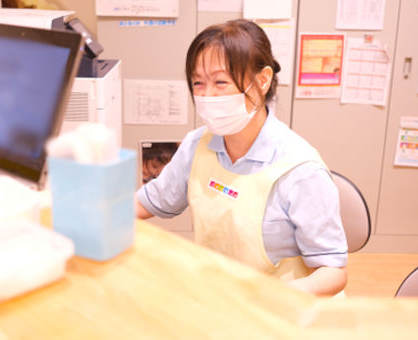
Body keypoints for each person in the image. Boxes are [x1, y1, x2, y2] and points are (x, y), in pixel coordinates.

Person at [135, 19, 348, 296]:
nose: (207, 95)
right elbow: (146, 202)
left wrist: (279, 297)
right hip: (223, 297)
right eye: (198, 83)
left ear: (262, 80)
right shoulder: (196, 146)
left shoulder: (300, 170)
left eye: (220, 82)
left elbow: (333, 272)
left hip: (284, 309)